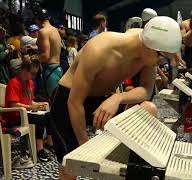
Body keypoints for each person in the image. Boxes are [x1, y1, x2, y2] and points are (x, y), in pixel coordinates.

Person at [50, 16, 182, 179]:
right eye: (163, 58)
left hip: (105, 99)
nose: (162, 63)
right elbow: (74, 102)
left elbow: (146, 91)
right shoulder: (100, 50)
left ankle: (134, 167)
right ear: (150, 47)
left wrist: (118, 98)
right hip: (69, 99)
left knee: (149, 109)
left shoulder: (149, 53)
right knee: (70, 169)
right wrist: (85, 149)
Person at [4, 56, 52, 164]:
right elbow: (13, 105)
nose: (34, 76)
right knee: (40, 118)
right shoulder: (13, 83)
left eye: (35, 74)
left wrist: (39, 105)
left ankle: (50, 143)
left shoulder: (29, 82)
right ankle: (39, 149)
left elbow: (30, 102)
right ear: (24, 70)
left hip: (26, 113)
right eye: (32, 73)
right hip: (15, 116)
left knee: (49, 114)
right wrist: (31, 107)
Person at [34, 7, 63, 98]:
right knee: (57, 101)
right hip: (58, 69)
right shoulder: (55, 30)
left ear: (38, 20)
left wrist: (31, 58)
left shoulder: (43, 32)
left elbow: (45, 56)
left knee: (51, 103)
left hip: (50, 71)